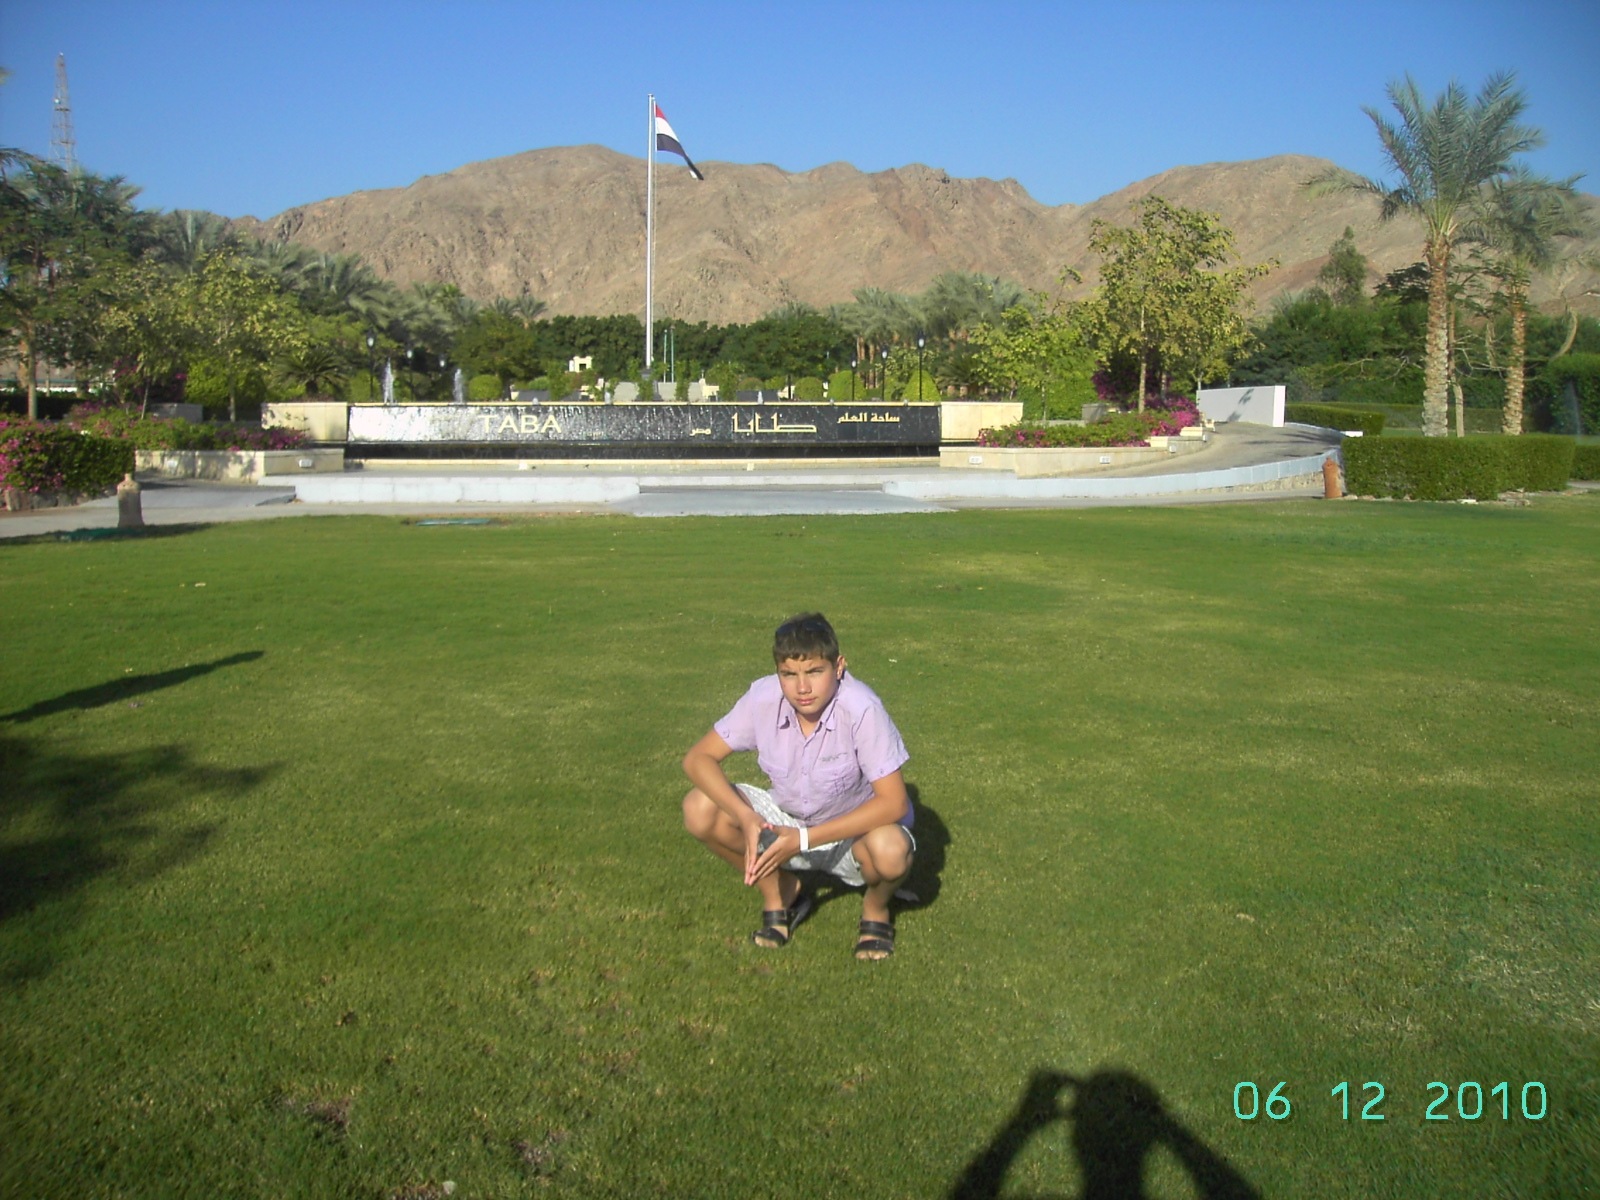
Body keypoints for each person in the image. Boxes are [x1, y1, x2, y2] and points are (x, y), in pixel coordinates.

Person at [681, 612, 914, 960]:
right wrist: (744, 815)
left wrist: (804, 840)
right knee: (698, 808)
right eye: (789, 674)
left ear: (839, 667)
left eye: (814, 672)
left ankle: (876, 909)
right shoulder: (763, 698)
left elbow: (894, 803)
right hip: (786, 819)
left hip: (853, 832)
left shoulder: (862, 708)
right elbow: (698, 758)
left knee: (891, 852)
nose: (802, 688)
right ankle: (782, 894)